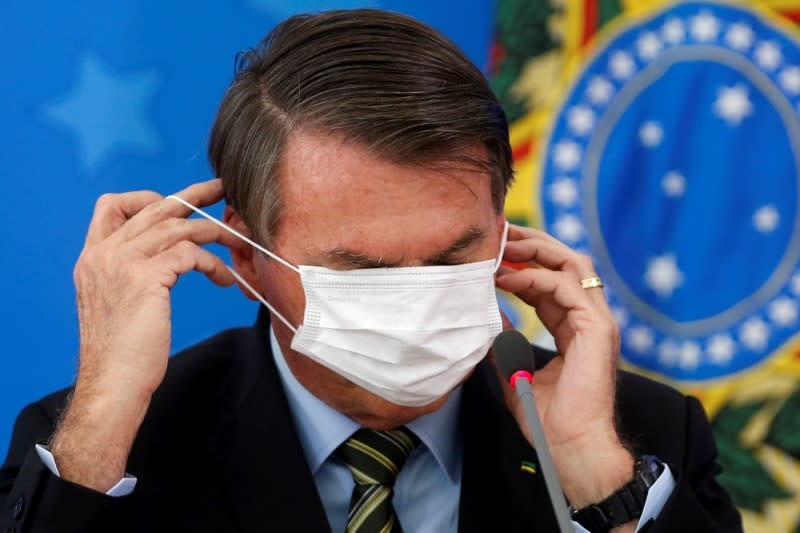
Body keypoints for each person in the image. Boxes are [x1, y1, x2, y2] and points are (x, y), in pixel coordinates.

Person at [0, 9, 740, 533]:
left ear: (508, 237)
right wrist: (99, 421)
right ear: (246, 252)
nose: (418, 304)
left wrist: (593, 475)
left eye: (453, 256)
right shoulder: (102, 448)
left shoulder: (644, 434)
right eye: (361, 270)